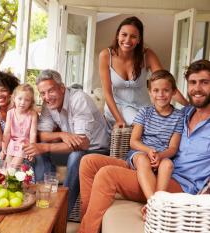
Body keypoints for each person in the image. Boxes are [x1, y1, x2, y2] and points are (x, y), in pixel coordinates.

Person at [78, 59, 210, 233]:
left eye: (205, 82)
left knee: (107, 175)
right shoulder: (185, 113)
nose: (197, 88)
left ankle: (86, 231)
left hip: (179, 184)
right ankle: (89, 223)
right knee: (88, 162)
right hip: (150, 165)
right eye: (193, 82)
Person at [23, 69, 110, 215]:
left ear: (62, 88)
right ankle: (45, 203)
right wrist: (62, 134)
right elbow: (41, 135)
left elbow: (82, 143)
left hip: (96, 149)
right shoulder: (48, 103)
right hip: (72, 147)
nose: (46, 97)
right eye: (42, 93)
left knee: (75, 156)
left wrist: (46, 146)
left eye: (50, 91)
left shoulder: (79, 99)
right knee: (36, 152)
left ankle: (61, 213)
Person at [100, 16, 188, 128]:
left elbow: (166, 83)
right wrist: (119, 119)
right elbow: (107, 92)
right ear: (117, 35)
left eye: (133, 36)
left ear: (139, 39)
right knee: (145, 126)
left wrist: (188, 105)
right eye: (124, 34)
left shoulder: (147, 55)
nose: (127, 40)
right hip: (117, 109)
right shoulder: (106, 55)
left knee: (167, 125)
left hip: (144, 109)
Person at [127, 70, 184, 218]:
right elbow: (134, 141)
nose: (161, 94)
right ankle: (152, 202)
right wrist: (149, 150)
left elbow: (173, 148)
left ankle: (157, 203)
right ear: (150, 93)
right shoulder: (144, 112)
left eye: (166, 90)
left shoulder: (179, 116)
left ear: (173, 92)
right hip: (142, 152)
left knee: (168, 165)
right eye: (156, 90)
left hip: (163, 155)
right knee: (142, 159)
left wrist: (160, 155)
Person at [1, 84, 37, 167]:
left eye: (27, 100)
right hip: (12, 143)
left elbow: (33, 134)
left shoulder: (32, 114)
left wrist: (32, 149)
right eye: (20, 99)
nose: (22, 102)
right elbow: (6, 133)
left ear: (31, 102)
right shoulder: (10, 113)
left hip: (24, 145)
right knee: (6, 166)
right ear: (14, 98)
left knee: (13, 167)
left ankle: (11, 177)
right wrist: (3, 149)